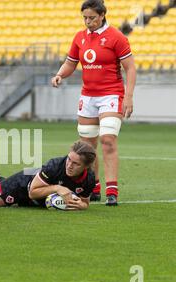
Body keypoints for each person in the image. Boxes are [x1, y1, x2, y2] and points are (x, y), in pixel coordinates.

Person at [51, 0, 136, 206]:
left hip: (111, 95)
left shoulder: (117, 37)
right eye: (85, 18)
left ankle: (112, 190)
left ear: (102, 15)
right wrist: (60, 74)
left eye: (92, 18)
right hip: (88, 97)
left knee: (108, 140)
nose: (88, 22)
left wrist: (128, 96)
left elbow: (130, 68)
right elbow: (71, 62)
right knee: (87, 147)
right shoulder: (80, 38)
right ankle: (93, 186)